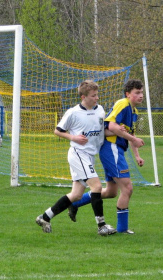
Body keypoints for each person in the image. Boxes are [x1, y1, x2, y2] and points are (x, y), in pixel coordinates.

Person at [35, 80, 117, 236]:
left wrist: (121, 133)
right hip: (78, 154)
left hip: (90, 156)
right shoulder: (73, 112)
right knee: (97, 187)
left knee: (77, 195)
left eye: (97, 95)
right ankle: (102, 226)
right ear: (83, 96)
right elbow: (57, 131)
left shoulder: (100, 110)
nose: (97, 98)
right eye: (93, 96)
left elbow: (101, 132)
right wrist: (74, 137)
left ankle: (45, 217)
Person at [67, 79, 145, 234]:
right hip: (111, 148)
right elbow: (111, 126)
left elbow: (130, 134)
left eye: (141, 92)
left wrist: (137, 155)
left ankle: (75, 203)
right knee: (127, 188)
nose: (141, 95)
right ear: (128, 94)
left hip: (116, 150)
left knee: (111, 192)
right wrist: (133, 140)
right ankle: (122, 229)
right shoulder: (123, 104)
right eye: (137, 92)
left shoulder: (134, 112)